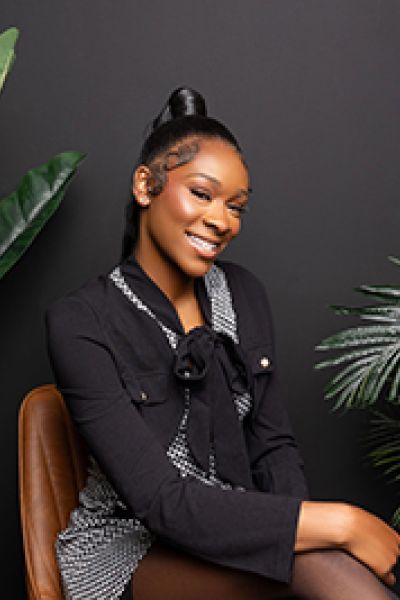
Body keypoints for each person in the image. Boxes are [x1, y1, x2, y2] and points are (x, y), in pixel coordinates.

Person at [45, 87, 400, 600]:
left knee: (318, 563)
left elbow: (274, 447)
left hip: (238, 522)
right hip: (131, 549)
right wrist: (341, 524)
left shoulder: (243, 294)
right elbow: (161, 501)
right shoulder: (81, 322)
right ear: (145, 186)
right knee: (320, 563)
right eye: (202, 194)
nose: (222, 221)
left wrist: (299, 535)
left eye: (237, 207)